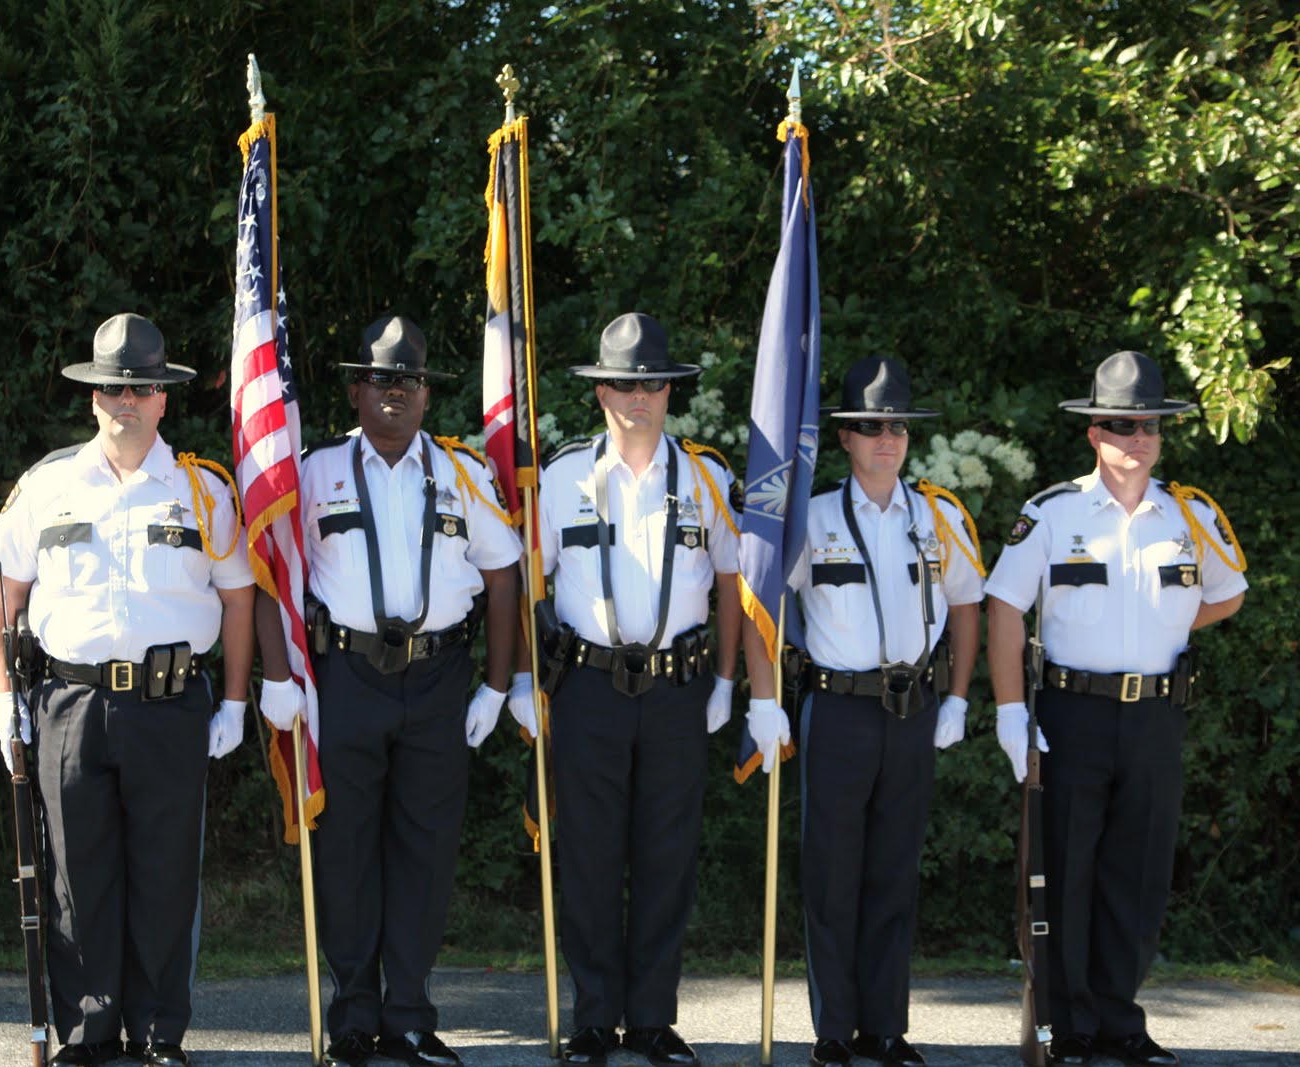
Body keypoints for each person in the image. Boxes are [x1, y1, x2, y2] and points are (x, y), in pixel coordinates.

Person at [0, 313, 255, 1067]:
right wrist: (5, 697)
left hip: (170, 705)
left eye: (138, 387)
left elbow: (238, 599)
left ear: (164, 398)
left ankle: (159, 1030)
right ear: (92, 398)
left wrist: (235, 699)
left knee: (166, 874)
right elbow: (2, 596)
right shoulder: (47, 484)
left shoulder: (203, 490)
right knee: (77, 875)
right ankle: (88, 1030)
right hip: (68, 706)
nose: (124, 401)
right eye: (110, 388)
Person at [256, 314, 521, 1067]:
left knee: (425, 851)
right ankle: (352, 1016)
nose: (395, 392)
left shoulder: (463, 471)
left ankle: (408, 1013)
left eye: (408, 379)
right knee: (344, 848)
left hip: (439, 681)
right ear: (355, 388)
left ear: (427, 393)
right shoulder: (311, 472)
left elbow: (504, 576)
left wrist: (497, 686)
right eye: (380, 378)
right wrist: (279, 678)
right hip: (346, 679)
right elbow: (268, 568)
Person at [985, 350, 1246, 1067]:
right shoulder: (1051, 513)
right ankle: (1065, 1025)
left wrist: (1155, 626)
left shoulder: (1187, 514)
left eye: (1151, 428)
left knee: (1139, 871)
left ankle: (1119, 1022)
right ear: (1093, 432)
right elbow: (1004, 604)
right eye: (1124, 426)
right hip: (1074, 714)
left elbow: (1229, 591)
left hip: (1156, 717)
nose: (1138, 440)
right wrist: (1012, 711)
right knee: (1066, 870)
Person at [523, 312, 763, 1067]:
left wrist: (729, 680)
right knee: (589, 853)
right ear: (601, 391)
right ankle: (595, 1017)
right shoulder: (560, 478)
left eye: (651, 382)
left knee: (666, 854)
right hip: (587, 687)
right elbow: (528, 584)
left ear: (671, 391)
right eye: (623, 382)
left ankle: (653, 1017)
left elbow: (733, 584)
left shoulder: (707, 477)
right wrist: (528, 685)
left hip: (676, 692)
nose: (637, 396)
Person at [776, 357, 983, 1067]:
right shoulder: (812, 515)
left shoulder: (940, 514)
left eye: (895, 424)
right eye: (869, 425)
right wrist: (764, 698)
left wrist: (957, 696)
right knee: (832, 875)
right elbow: (767, 602)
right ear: (845, 438)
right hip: (837, 708)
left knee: (894, 872)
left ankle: (886, 1027)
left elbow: (965, 602)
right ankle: (834, 1030)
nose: (886, 437)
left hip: (913, 707)